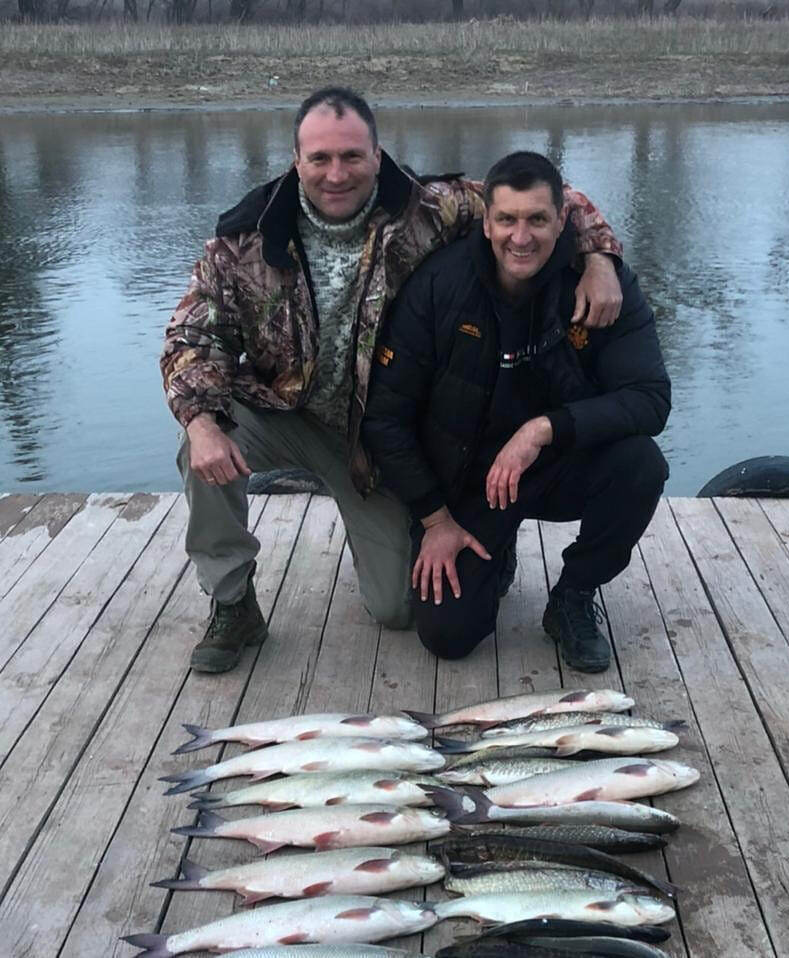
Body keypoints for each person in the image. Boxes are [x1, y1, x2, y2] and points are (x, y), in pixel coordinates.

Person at [161, 88, 625, 673]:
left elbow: (549, 203)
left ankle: (490, 550)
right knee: (198, 446)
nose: (336, 173)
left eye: (352, 156)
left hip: (371, 440)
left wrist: (601, 259)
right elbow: (190, 339)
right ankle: (232, 603)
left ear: (378, 157)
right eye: (320, 158)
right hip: (276, 414)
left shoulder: (430, 209)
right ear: (296, 160)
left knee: (400, 609)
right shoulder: (242, 239)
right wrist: (201, 422)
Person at [362, 151, 670, 673]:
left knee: (641, 463)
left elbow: (650, 398)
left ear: (563, 220)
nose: (520, 237)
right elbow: (386, 419)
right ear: (486, 223)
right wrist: (435, 519)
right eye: (506, 219)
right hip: (466, 483)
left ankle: (573, 594)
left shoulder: (605, 287)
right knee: (448, 636)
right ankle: (494, 554)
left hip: (555, 462)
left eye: (537, 220)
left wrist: (543, 429)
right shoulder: (438, 287)